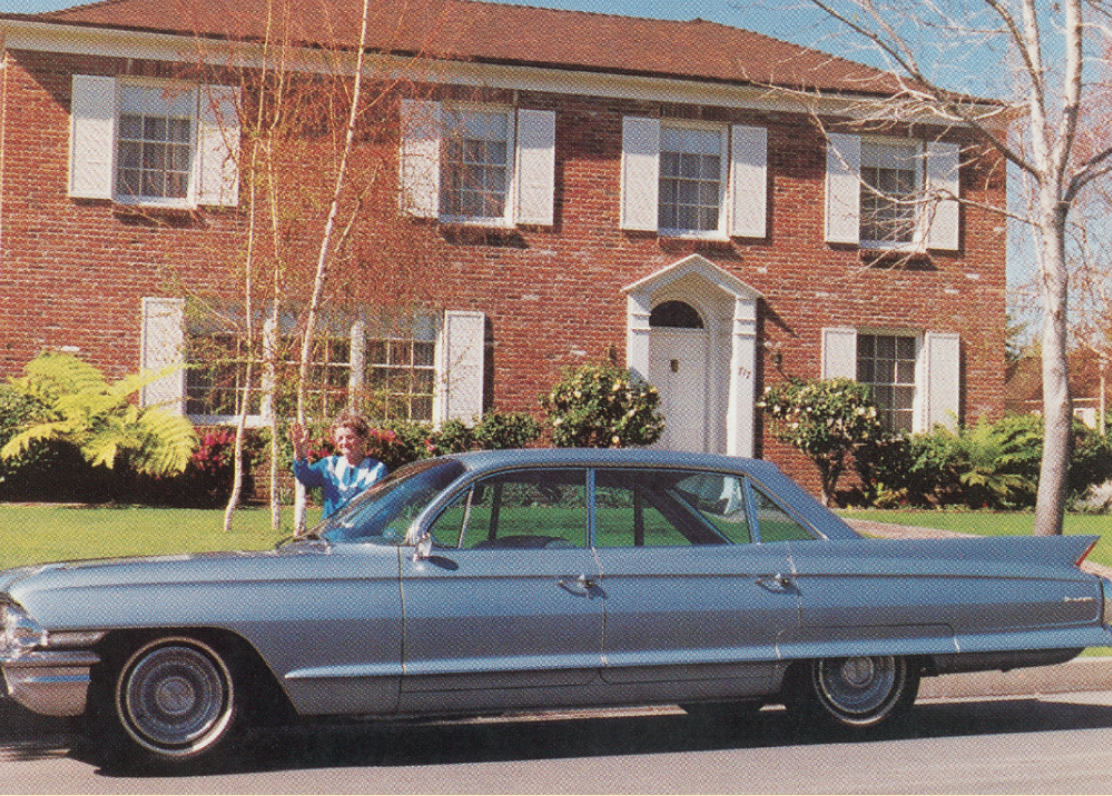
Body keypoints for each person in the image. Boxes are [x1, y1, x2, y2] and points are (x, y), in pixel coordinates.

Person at [290, 408, 387, 518]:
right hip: (329, 534)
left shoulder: (377, 470)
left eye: (350, 437)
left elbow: (383, 508)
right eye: (340, 438)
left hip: (362, 533)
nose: (344, 442)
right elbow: (305, 477)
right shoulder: (329, 464)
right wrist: (299, 453)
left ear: (362, 439)